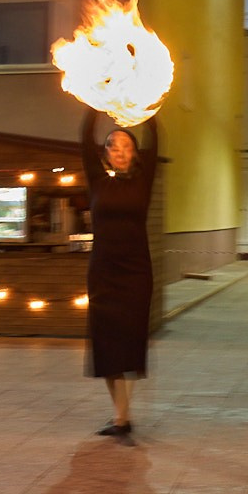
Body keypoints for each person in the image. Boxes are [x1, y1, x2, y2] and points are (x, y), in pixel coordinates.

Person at [81, 107, 160, 437]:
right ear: (106, 154)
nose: (121, 151)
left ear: (135, 154)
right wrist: (94, 102)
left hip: (136, 273)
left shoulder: (144, 181)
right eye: (114, 146)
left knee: (128, 343)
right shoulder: (97, 180)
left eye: (127, 146)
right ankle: (120, 418)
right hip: (103, 272)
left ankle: (122, 417)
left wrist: (147, 107)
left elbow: (156, 139)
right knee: (106, 344)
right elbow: (85, 138)